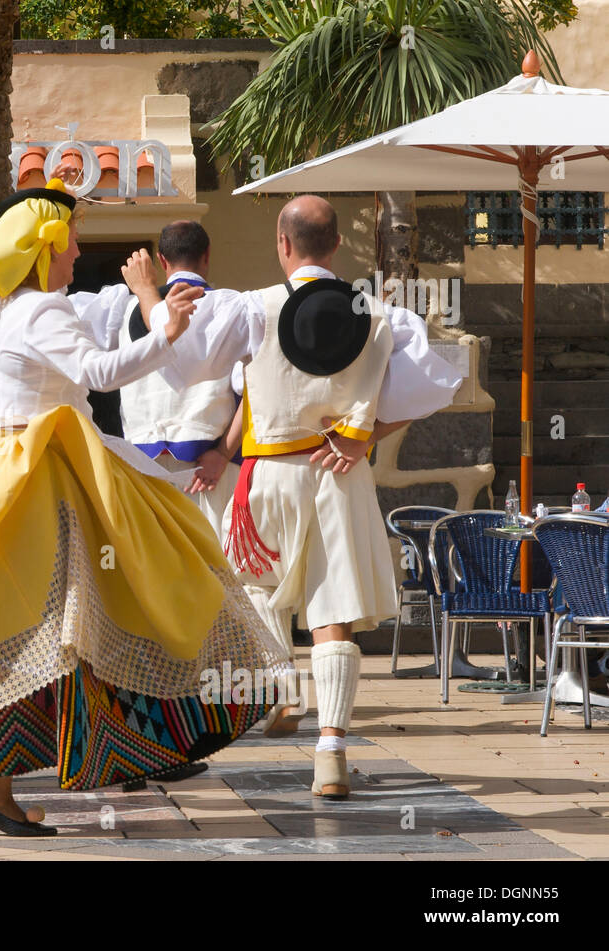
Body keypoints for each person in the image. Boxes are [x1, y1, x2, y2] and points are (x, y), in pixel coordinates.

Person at [0, 179, 292, 836]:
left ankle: (16, 781)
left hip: (15, 477)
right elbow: (100, 372)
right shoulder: (41, 309)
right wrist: (169, 331)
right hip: (51, 480)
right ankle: (151, 734)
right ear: (46, 245)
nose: (76, 254)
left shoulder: (13, 308)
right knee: (115, 602)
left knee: (34, 631)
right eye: (71, 241)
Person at [151, 194, 462, 798]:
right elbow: (438, 383)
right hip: (339, 475)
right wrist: (361, 435)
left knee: (259, 589)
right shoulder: (378, 313)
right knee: (334, 614)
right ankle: (331, 753)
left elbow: (183, 365)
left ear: (281, 242)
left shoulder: (252, 309)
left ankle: (283, 693)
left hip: (266, 474)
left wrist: (149, 301)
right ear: (338, 243)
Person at [112, 221, 244, 538]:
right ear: (207, 254)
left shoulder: (124, 311)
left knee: (155, 574)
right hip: (209, 463)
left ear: (162, 260)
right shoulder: (233, 306)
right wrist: (224, 454)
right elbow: (253, 389)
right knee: (217, 569)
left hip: (144, 463)